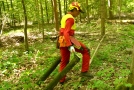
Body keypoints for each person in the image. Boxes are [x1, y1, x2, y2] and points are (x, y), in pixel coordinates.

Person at [58, 2, 93, 84]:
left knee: (64, 61)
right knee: (86, 51)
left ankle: (61, 80)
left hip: (62, 40)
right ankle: (84, 72)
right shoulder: (70, 19)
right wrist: (70, 45)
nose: (78, 13)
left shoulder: (65, 16)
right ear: (74, 10)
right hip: (69, 40)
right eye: (78, 11)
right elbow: (66, 32)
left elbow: (62, 31)